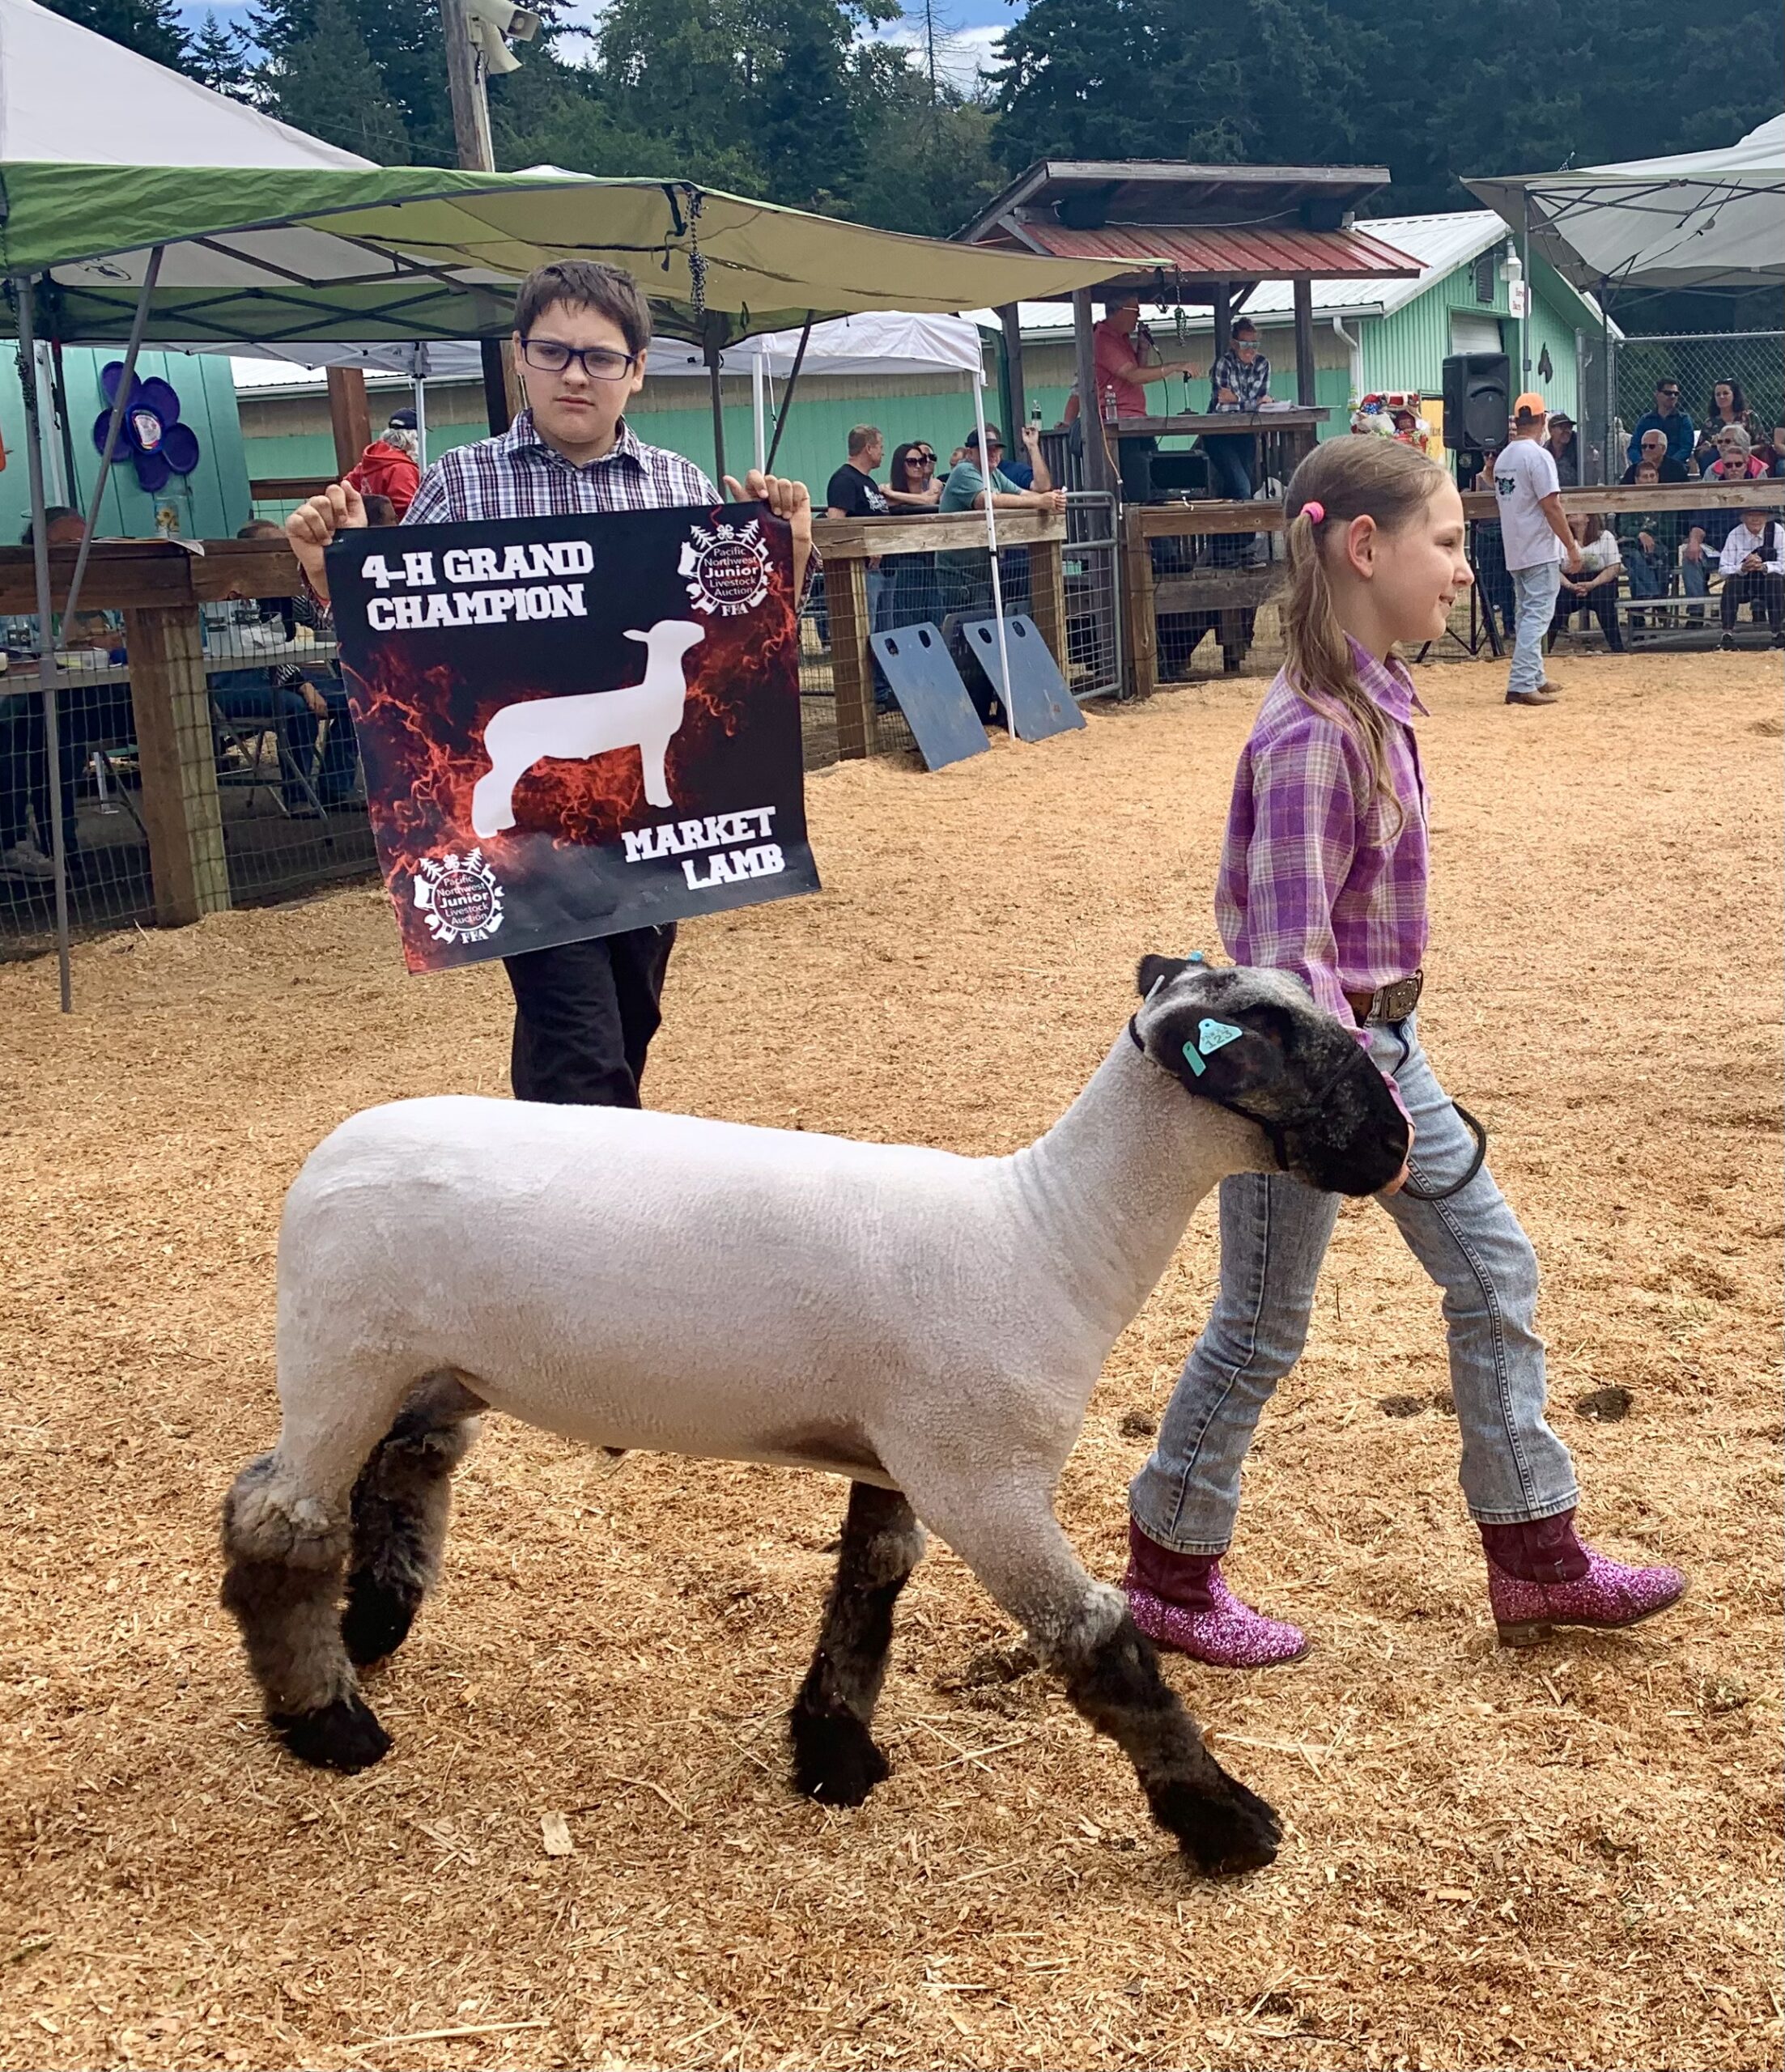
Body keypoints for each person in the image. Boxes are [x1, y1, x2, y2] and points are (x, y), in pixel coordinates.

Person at [1122, 433, 1686, 1669]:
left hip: (1378, 1046)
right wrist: (1349, 1118)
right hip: (1313, 1078)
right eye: (1448, 541)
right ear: (1363, 547)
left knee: (1493, 1277)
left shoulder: (1372, 698)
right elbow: (1282, 971)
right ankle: (1167, 1572)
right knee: (1262, 1323)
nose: (1465, 570)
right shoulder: (1312, 733)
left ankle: (1538, 1558)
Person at [284, 257, 814, 1111]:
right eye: (554, 351)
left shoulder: (679, 488)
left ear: (636, 368)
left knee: (629, 1013)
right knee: (579, 1034)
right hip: (529, 832)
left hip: (645, 832)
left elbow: (744, 648)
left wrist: (784, 553)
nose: (576, 373)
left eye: (601, 356)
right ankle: (602, 1210)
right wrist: (331, 576)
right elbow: (400, 646)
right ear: (520, 359)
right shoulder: (461, 483)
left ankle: (543, 1188)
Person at [1491, 393, 1582, 706]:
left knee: (1526, 611)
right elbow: (1551, 506)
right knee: (1537, 615)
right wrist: (1571, 545)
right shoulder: (1539, 456)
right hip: (1539, 547)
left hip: (1515, 546)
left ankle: (1535, 675)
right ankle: (1521, 682)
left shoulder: (1505, 457)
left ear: (1518, 420)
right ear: (1543, 420)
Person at [935, 423, 1063, 617]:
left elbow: (1034, 490)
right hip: (959, 573)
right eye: (987, 449)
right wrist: (1041, 501)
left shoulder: (994, 474)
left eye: (997, 448)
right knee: (968, 630)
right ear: (970, 453)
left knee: (986, 625)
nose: (994, 453)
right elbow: (986, 501)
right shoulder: (964, 471)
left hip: (982, 570)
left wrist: (1051, 498)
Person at [1094, 295, 1190, 504]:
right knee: (1138, 487)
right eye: (1135, 311)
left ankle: (1161, 529)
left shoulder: (1122, 338)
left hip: (1136, 421)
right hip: (1120, 425)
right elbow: (1133, 375)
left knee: (1156, 478)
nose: (1139, 316)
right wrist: (1173, 367)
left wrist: (1143, 347)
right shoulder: (1103, 340)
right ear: (1118, 311)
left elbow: (1138, 370)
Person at [1682, 427, 1769, 613]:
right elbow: (1699, 522)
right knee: (1690, 557)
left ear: (1746, 464)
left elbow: (1768, 524)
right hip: (1716, 548)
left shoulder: (1758, 487)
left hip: (1749, 548)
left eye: (1738, 464)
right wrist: (1694, 541)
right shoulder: (1713, 486)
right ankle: (1696, 611)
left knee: (1766, 553)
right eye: (1729, 465)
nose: (1734, 469)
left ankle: (1759, 606)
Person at [826, 426, 891, 631]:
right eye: (880, 446)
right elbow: (836, 524)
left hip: (879, 569)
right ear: (868, 448)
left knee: (882, 628)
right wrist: (866, 548)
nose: (883, 452)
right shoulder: (844, 480)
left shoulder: (868, 482)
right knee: (865, 628)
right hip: (861, 570)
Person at [1201, 316, 1271, 503]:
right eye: (1245, 344)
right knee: (1242, 488)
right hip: (1219, 435)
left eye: (1254, 344)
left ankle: (1237, 533)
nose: (1251, 349)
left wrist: (1239, 399)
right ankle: (1235, 531)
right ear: (1234, 344)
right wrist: (1252, 402)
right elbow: (1224, 405)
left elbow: (1261, 405)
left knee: (1241, 487)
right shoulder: (1223, 363)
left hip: (1246, 434)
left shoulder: (1263, 364)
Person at [1548, 512, 1624, 652]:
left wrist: (1593, 584)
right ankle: (1544, 650)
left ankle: (1618, 649)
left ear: (1589, 517)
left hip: (1599, 581)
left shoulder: (1605, 536)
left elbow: (1614, 566)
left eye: (1578, 511)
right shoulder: (1558, 538)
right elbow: (1553, 568)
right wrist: (1570, 585)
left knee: (1606, 605)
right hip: (1568, 582)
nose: (1571, 513)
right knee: (1555, 607)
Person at [1716, 505, 1785, 647]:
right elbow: (1723, 570)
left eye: (1760, 515)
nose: (1755, 519)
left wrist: (1764, 566)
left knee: (1775, 578)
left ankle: (1778, 634)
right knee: (1732, 582)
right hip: (1744, 585)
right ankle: (1727, 635)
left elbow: (1784, 563)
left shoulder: (1778, 531)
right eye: (1751, 515)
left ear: (1767, 517)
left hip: (1768, 584)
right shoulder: (1735, 534)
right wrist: (1742, 567)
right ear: (1743, 518)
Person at [1618, 461, 1672, 622]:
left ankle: (1640, 609)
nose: (1649, 480)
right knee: (1635, 557)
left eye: (1652, 476)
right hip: (1632, 545)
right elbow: (1624, 528)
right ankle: (1656, 599)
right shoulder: (1628, 501)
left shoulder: (1668, 500)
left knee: (1652, 559)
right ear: (1637, 480)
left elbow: (1669, 530)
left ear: (1658, 477)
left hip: (1659, 545)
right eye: (1645, 477)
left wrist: (1650, 536)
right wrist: (1640, 534)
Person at [346, 414, 422, 517]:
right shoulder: (402, 468)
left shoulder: (369, 461)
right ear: (414, 438)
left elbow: (346, 488)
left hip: (366, 528)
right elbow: (406, 510)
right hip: (393, 531)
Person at [1625, 377, 1694, 469]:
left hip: (1674, 468)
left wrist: (1666, 464)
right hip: (1646, 469)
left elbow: (1686, 448)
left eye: (1676, 394)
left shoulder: (1683, 419)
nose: (1673, 396)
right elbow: (1633, 448)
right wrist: (1643, 464)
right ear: (1657, 394)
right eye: (1668, 393)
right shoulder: (1645, 420)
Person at [1702, 378, 1763, 444]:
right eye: (1718, 394)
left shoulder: (1749, 417)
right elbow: (1699, 449)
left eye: (1725, 393)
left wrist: (1745, 450)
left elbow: (1763, 444)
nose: (1721, 397)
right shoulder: (1710, 423)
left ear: (1735, 395)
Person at [1618, 427, 1686, 485]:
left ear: (1663, 449)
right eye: (1644, 446)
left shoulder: (1677, 470)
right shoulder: (1633, 471)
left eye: (1652, 446)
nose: (1647, 450)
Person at [1542, 410, 1581, 486]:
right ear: (1551, 430)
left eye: (1569, 428)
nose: (1567, 431)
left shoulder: (1578, 447)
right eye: (1562, 427)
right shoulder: (1544, 452)